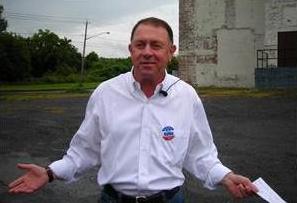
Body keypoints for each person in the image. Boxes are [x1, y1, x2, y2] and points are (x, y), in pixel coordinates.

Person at [8, 17, 258, 202]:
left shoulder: (186, 96)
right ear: (131, 51)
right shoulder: (106, 93)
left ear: (171, 52)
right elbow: (85, 150)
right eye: (140, 45)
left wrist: (226, 176)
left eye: (156, 45)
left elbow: (200, 154)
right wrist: (50, 173)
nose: (147, 52)